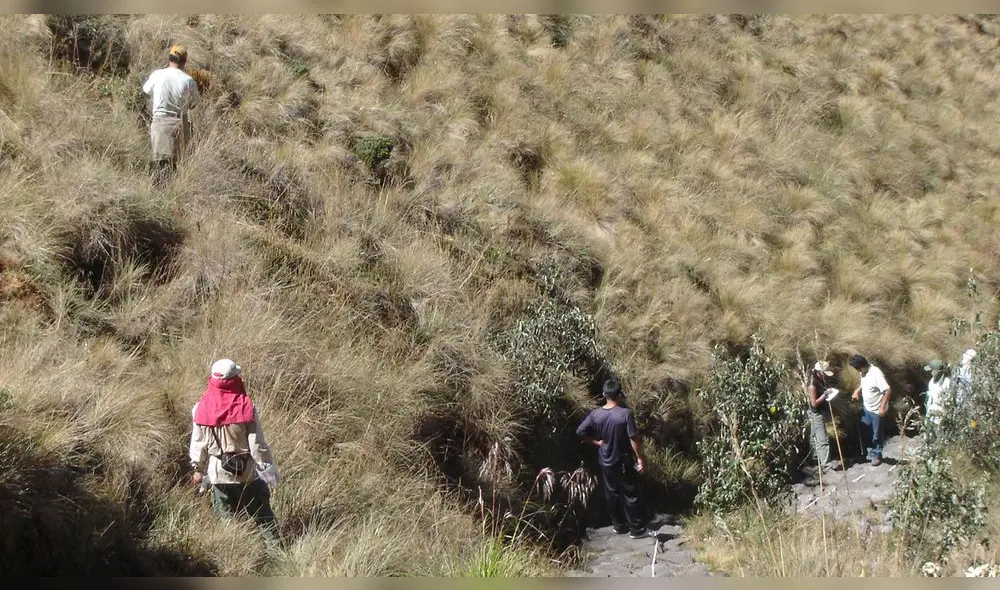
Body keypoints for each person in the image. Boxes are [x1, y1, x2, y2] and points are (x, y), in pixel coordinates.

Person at [189, 359, 282, 553]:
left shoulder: (200, 409)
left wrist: (198, 469)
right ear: (233, 380)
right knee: (263, 517)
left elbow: (198, 444)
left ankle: (234, 556)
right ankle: (276, 555)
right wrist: (268, 471)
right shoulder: (247, 407)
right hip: (246, 472)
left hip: (217, 474)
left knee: (226, 521)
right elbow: (257, 445)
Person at [575, 377, 649, 539]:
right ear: (620, 394)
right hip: (622, 460)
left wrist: (597, 442)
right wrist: (640, 459)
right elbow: (633, 438)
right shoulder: (625, 414)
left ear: (604, 394)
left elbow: (580, 431)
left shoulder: (596, 414)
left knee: (611, 493)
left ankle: (619, 526)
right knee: (630, 493)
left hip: (605, 460)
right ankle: (636, 530)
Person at [142, 44, 200, 179]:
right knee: (177, 161)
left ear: (169, 58)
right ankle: (174, 189)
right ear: (184, 61)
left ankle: (160, 189)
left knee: (159, 160)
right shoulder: (188, 80)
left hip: (160, 121)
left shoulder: (157, 74)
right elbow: (195, 102)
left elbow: (146, 90)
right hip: (180, 122)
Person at [849, 354, 892, 466]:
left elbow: (887, 390)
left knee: (876, 434)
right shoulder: (863, 371)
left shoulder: (876, 374)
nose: (857, 371)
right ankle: (864, 453)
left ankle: (876, 455)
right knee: (864, 430)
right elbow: (864, 383)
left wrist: (882, 407)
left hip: (877, 410)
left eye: (856, 368)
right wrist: (857, 391)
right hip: (867, 408)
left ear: (861, 366)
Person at [806, 360, 842, 472]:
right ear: (818, 373)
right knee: (822, 439)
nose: (826, 376)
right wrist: (825, 395)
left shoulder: (820, 381)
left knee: (813, 435)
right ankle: (825, 463)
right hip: (816, 413)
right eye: (824, 374)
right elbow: (814, 403)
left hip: (818, 412)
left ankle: (815, 458)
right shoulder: (812, 386)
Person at [922, 359, 951, 426]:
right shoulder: (931, 382)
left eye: (931, 370)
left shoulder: (947, 383)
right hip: (930, 414)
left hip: (940, 416)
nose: (930, 372)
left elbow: (948, 401)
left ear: (935, 371)